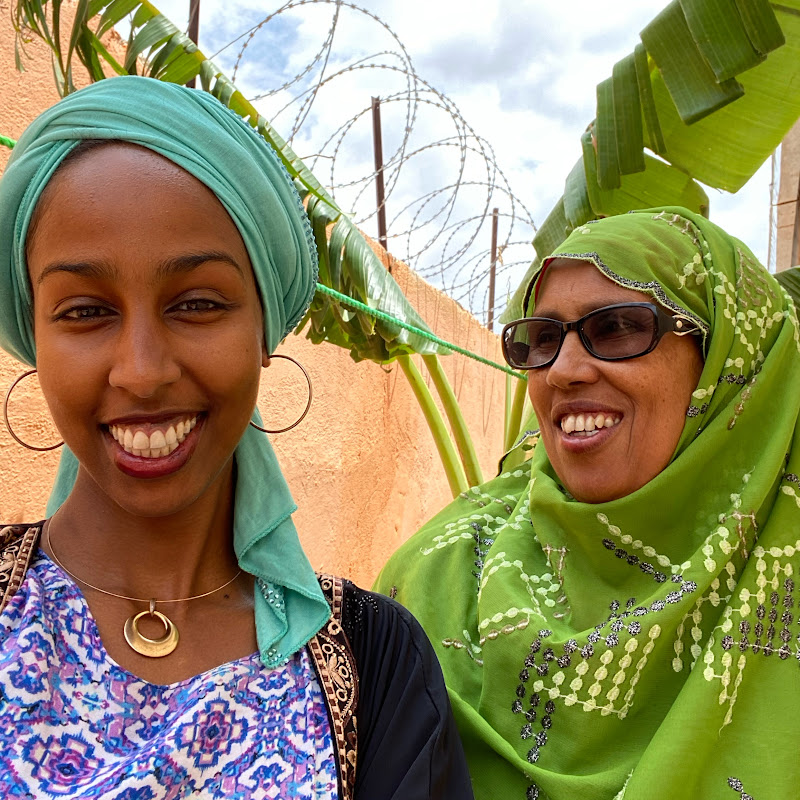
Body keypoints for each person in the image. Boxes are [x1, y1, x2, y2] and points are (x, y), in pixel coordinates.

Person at [0, 75, 472, 800]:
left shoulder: (378, 665)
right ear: (35, 335)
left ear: (263, 328)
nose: (143, 371)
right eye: (87, 311)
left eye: (197, 303)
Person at [376, 207, 800, 800]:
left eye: (620, 327)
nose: (565, 372)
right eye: (543, 339)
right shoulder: (436, 576)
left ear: (727, 362)